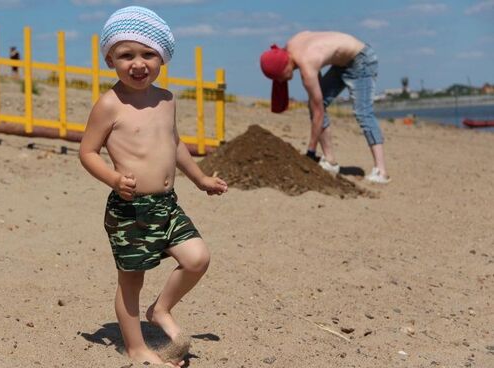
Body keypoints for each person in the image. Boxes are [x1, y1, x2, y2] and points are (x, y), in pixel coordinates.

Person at [79, 6, 228, 367]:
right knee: (131, 281)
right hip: (130, 209)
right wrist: (114, 179)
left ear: (162, 56)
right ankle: (136, 349)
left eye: (148, 53)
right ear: (110, 58)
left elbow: (174, 144)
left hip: (167, 204)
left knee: (197, 258)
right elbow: (87, 152)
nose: (138, 63)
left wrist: (200, 178)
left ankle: (160, 310)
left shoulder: (166, 99)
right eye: (126, 55)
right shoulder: (109, 104)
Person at [260, 31, 390, 184]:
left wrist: (311, 151)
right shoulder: (290, 48)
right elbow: (318, 67)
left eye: (279, 76)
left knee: (363, 112)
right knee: (314, 104)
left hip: (361, 60)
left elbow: (318, 112)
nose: (281, 81)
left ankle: (381, 171)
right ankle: (330, 161)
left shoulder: (306, 65)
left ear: (285, 66)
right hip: (340, 64)